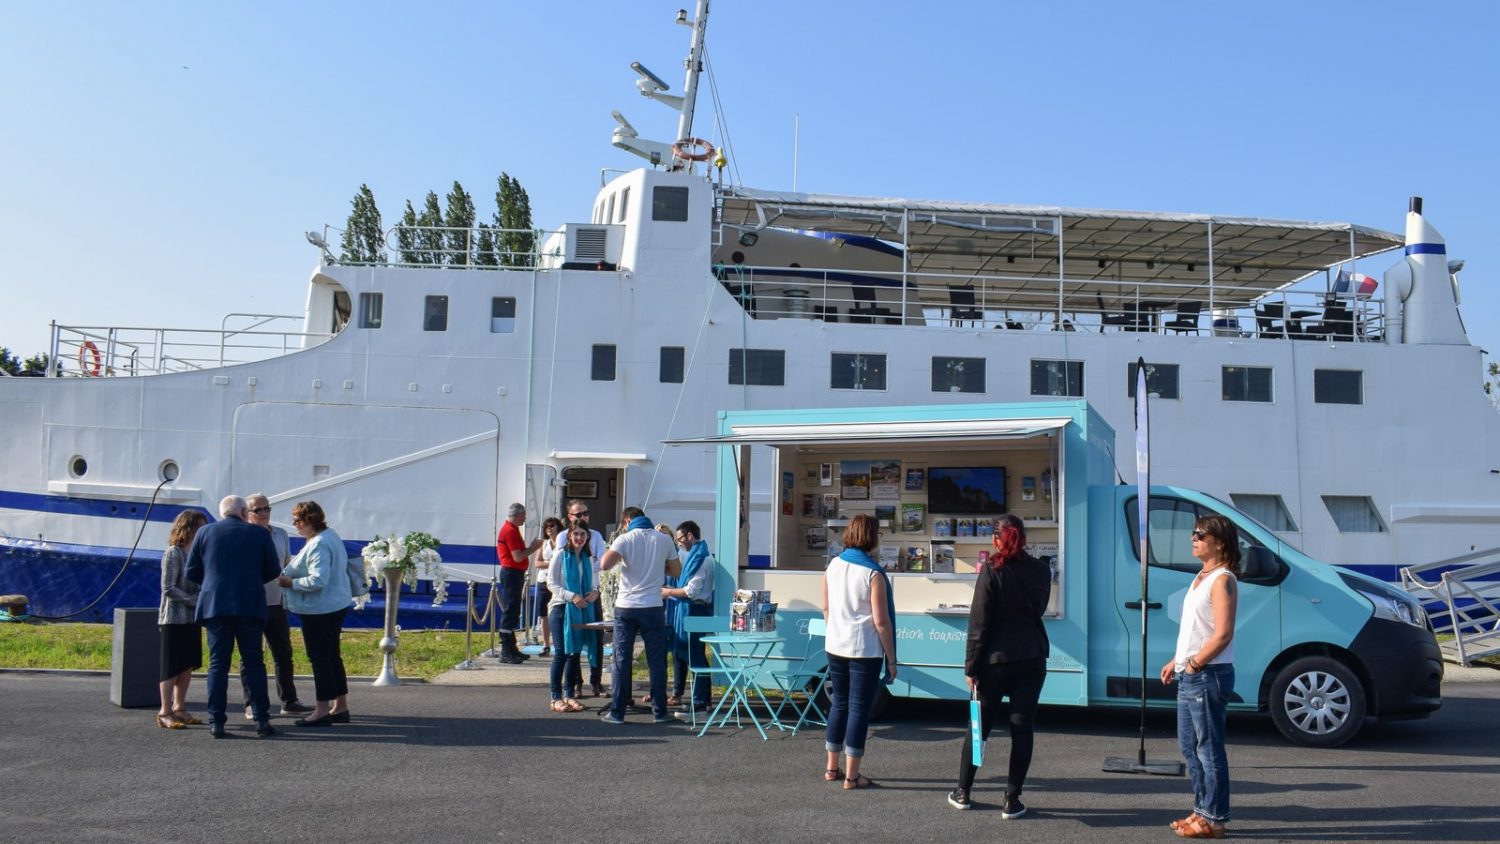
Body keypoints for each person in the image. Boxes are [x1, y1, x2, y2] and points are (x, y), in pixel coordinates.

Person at [947, 514, 1051, 818]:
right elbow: (1039, 610)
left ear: (996, 539)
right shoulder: (1042, 570)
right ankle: (1011, 799)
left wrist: (970, 667)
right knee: (1022, 730)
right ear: (1025, 539)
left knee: (979, 730)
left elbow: (978, 623)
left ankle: (963, 791)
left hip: (994, 663)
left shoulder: (992, 569)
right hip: (1031, 658)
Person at [1161, 514, 1241, 839]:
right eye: (1194, 533)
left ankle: (1215, 819)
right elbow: (1197, 630)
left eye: (1200, 534)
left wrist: (1194, 664)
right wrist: (1177, 661)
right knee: (1190, 748)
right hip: (1191, 672)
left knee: (1209, 750)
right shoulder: (1202, 576)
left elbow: (1222, 635)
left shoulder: (1223, 579)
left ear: (1219, 542)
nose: (1193, 538)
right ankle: (1201, 811)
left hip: (1208, 675)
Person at [185, 495, 281, 739]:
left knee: (218, 664)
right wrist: (249, 581)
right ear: (243, 511)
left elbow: (191, 571)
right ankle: (261, 720)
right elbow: (273, 570)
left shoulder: (205, 533)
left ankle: (216, 721)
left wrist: (213, 584)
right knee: (254, 663)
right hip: (249, 605)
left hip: (215, 606)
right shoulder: (259, 534)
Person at [822, 513, 897, 789]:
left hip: (835, 646)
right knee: (858, 709)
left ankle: (832, 769)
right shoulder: (873, 572)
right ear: (871, 537)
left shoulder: (833, 566)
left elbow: (826, 608)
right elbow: (881, 621)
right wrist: (892, 659)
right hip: (864, 650)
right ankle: (852, 776)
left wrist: (837, 630)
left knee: (838, 704)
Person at [277, 500, 355, 727]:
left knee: (320, 658)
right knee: (332, 656)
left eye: (298, 520)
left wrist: (290, 582)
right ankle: (340, 706)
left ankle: (321, 709)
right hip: (335, 604)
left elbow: (317, 579)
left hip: (319, 608)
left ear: (309, 520)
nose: (295, 525)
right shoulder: (331, 536)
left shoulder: (319, 544)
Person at [599, 506, 680, 724]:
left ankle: (617, 712)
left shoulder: (625, 539)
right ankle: (660, 712)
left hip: (626, 606)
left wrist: (622, 558)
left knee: (622, 659)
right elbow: (676, 571)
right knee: (657, 660)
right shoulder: (664, 539)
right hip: (653, 606)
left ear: (626, 521)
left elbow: (604, 564)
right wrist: (655, 568)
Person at [239, 494, 312, 720]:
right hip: (251, 603)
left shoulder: (280, 534)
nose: (263, 513)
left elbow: (287, 564)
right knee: (250, 656)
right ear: (247, 513)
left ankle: (289, 700)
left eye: (266, 509)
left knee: (283, 653)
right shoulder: (243, 535)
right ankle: (251, 703)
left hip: (277, 602)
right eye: (257, 510)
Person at [157, 510, 208, 729]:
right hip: (174, 618)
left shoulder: (196, 554)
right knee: (171, 666)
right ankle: (164, 711)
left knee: (187, 665)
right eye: (200, 527)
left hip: (191, 619)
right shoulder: (173, 553)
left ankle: (180, 707)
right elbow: (168, 588)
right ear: (188, 528)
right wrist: (195, 600)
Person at [546, 524, 600, 713]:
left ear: (587, 537)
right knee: (561, 652)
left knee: (574, 653)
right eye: (575, 534)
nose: (579, 537)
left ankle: (569, 694)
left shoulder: (587, 558)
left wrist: (594, 592)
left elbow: (595, 583)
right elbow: (551, 583)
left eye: (583, 534)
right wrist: (572, 596)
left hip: (581, 609)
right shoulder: (560, 554)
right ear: (569, 536)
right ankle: (555, 697)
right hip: (561, 607)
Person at [662, 520, 714, 712]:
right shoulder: (697, 556)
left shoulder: (700, 559)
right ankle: (704, 699)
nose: (679, 543)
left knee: (696, 658)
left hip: (695, 610)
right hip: (695, 609)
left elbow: (692, 591)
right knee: (696, 656)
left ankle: (700, 701)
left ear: (690, 536)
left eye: (680, 539)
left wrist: (668, 592)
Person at [565, 499, 608, 697]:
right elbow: (563, 566)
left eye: (586, 513)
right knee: (573, 641)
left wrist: (595, 590)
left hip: (593, 595)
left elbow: (602, 562)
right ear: (570, 517)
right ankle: (576, 683)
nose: (583, 517)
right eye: (579, 514)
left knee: (596, 639)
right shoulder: (561, 537)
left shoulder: (596, 536)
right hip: (570, 599)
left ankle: (596, 682)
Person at [496, 502, 542, 664]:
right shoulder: (509, 531)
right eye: (523, 515)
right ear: (518, 515)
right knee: (510, 610)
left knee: (513, 610)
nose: (525, 519)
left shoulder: (512, 530)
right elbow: (517, 556)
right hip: (511, 573)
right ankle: (506, 650)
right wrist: (533, 548)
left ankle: (512, 648)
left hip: (514, 573)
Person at [532, 516, 565, 657]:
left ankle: (560, 642)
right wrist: (552, 563)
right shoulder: (543, 544)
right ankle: (546, 644)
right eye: (547, 527)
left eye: (552, 525)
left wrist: (550, 562)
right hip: (543, 581)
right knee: (543, 613)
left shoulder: (563, 542)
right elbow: (537, 563)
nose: (549, 529)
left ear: (558, 527)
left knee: (559, 611)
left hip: (558, 581)